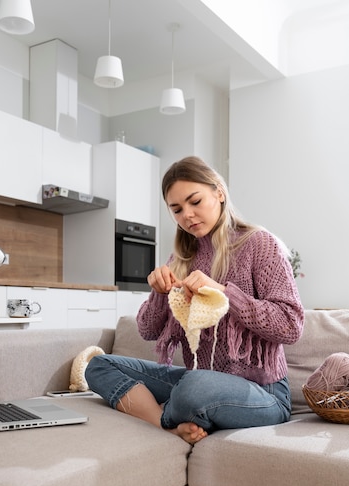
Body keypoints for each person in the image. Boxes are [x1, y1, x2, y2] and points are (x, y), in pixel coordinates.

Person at [85, 156, 305, 444]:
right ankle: (163, 424)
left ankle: (164, 408)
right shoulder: (182, 258)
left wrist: (225, 292)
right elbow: (148, 330)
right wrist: (159, 294)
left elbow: (291, 325)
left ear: (219, 193)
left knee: (193, 387)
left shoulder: (260, 244)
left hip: (263, 394)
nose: (187, 214)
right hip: (200, 379)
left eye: (195, 201)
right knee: (99, 366)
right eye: (177, 209)